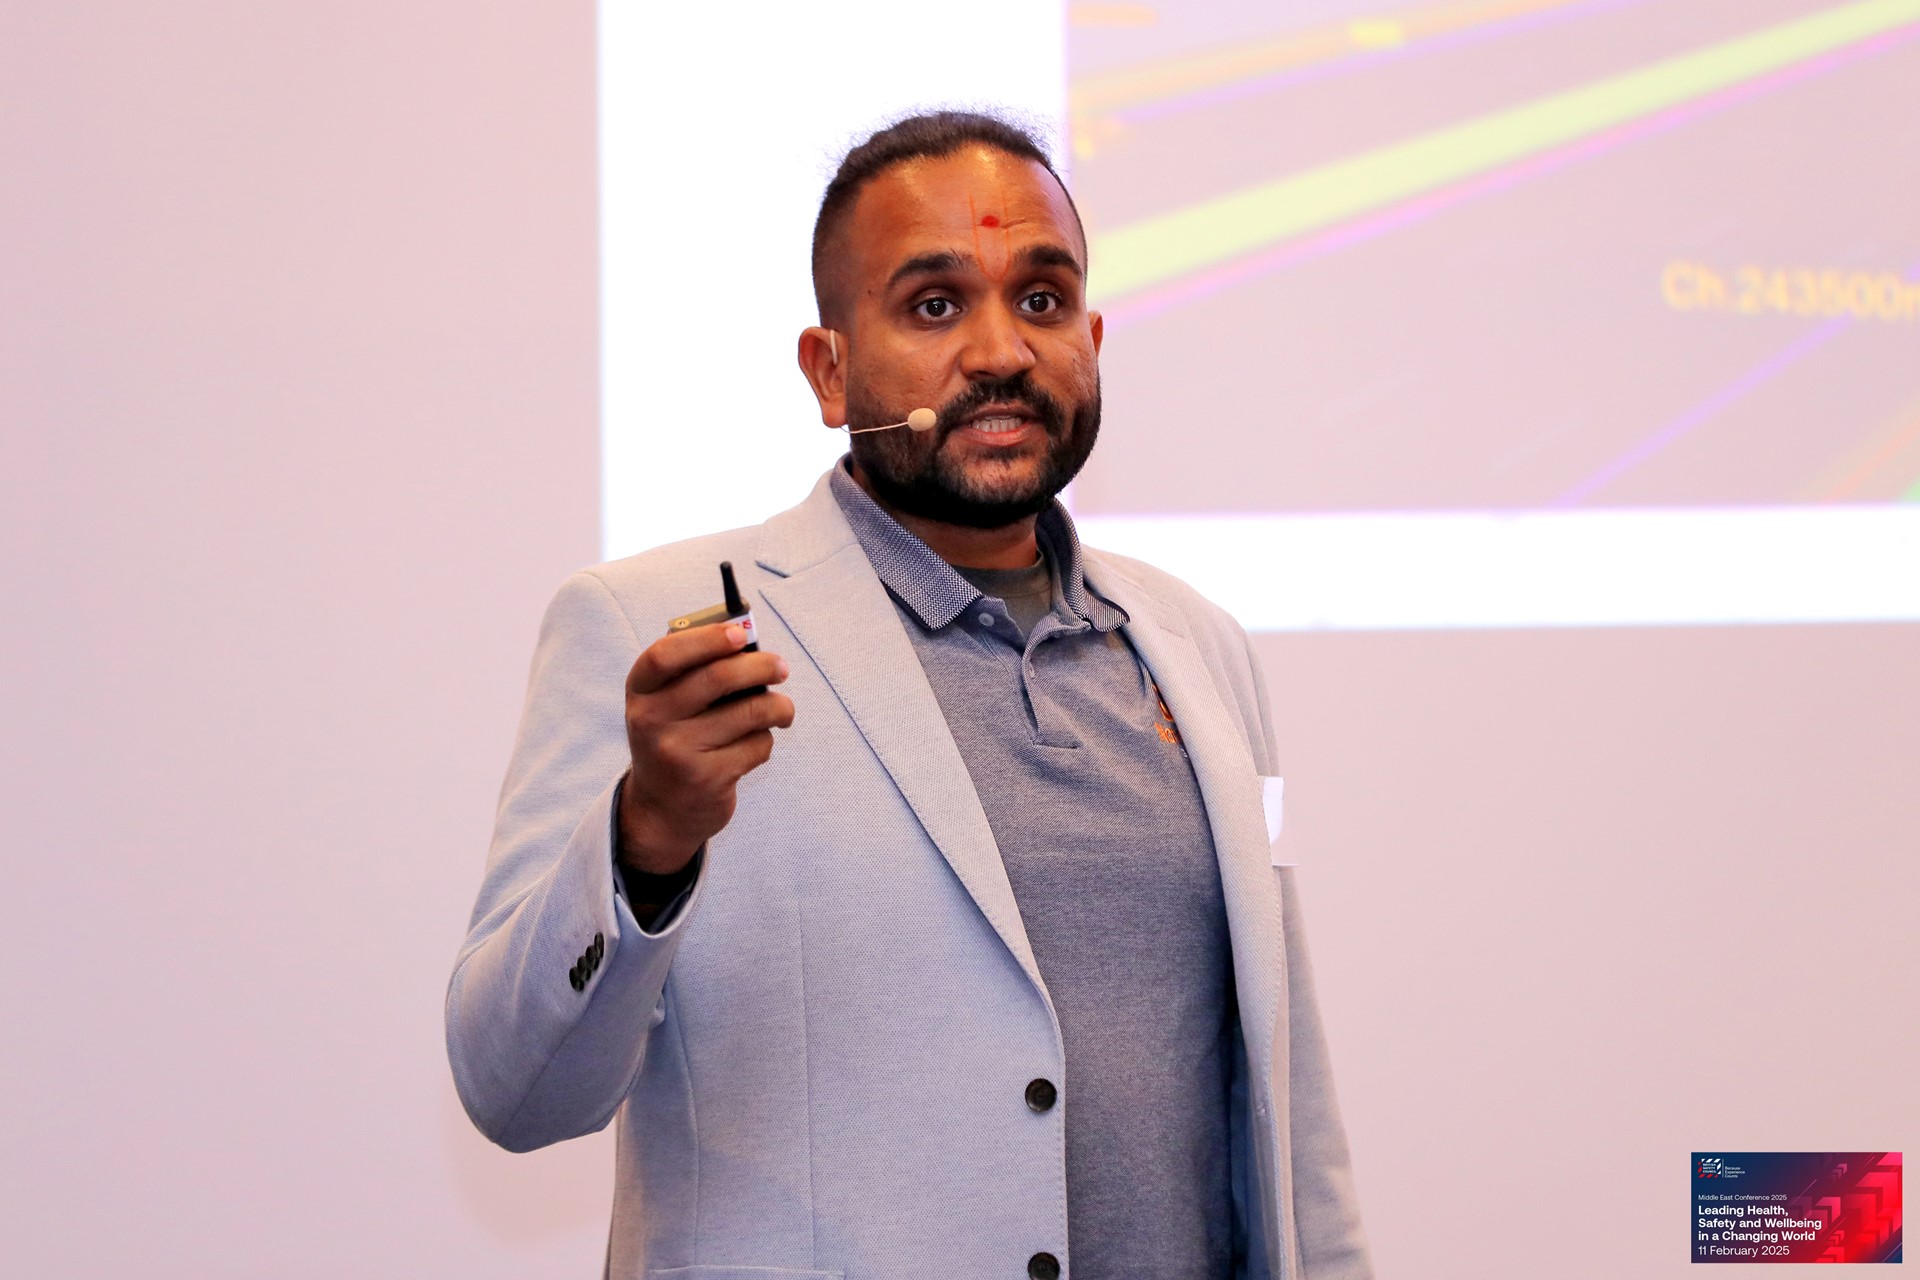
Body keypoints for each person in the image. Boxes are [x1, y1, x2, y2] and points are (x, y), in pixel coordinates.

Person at [447, 110, 1372, 1280]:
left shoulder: (1206, 649)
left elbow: (1288, 1104)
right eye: (935, 306)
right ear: (829, 370)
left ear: (1092, 339)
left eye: (1042, 300)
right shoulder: (656, 631)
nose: (1001, 351)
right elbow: (514, 1086)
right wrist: (646, 840)